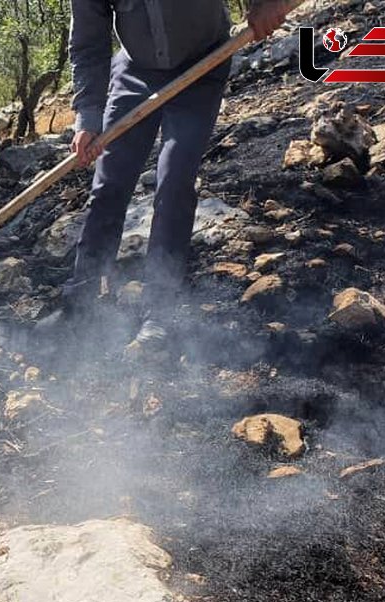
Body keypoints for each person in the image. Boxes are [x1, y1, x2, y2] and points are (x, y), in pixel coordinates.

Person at [64, 0, 290, 357]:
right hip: (135, 71)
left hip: (203, 64)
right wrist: (88, 119)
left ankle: (159, 311)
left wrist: (262, 4)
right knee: (109, 184)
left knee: (174, 180)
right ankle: (81, 298)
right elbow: (89, 42)